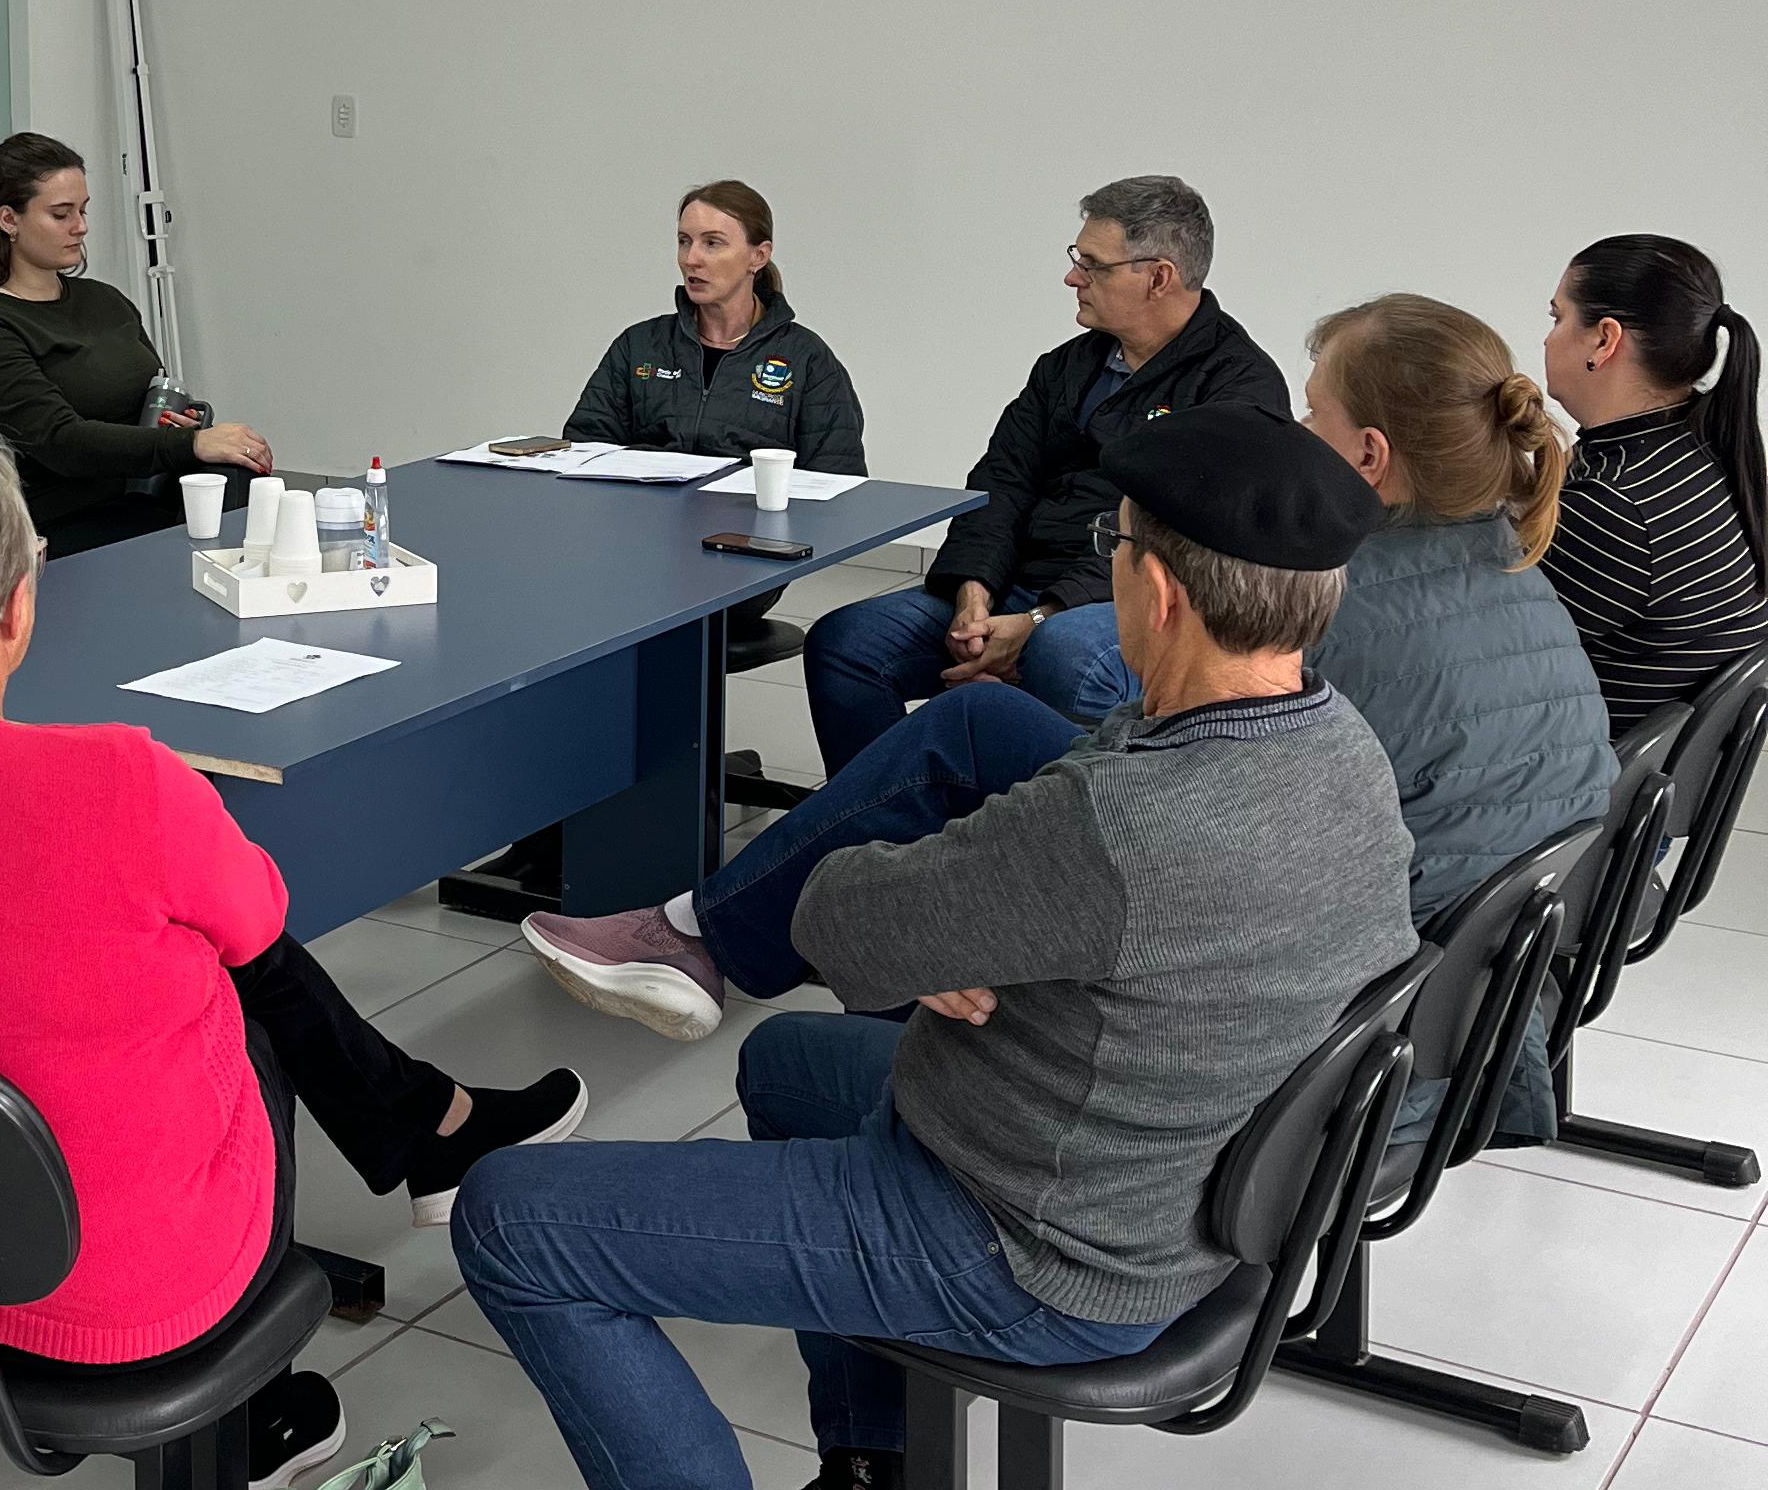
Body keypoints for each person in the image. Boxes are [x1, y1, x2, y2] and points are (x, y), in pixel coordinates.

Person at [454, 413, 1412, 1490]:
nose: (1106, 562)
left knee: (512, 1217)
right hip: (1163, 1190)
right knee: (788, 1061)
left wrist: (936, 912)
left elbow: (836, 915)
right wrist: (975, 922)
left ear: (1159, 592)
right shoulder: (1338, 745)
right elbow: (1046, 867)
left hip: (1027, 1246)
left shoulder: (1117, 825)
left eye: (1114, 545)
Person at [0, 429, 586, 1463]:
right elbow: (260, 919)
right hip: (122, 1296)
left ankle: (429, 1128)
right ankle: (252, 1405)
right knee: (234, 992)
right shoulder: (124, 780)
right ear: (15, 609)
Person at [530, 287, 1613, 1049]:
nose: (1292, 428)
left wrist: (991, 907)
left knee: (973, 741)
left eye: (1311, 414)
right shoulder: (1507, 566)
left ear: (1368, 457)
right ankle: (718, 931)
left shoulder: (1342, 597)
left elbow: (1173, 800)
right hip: (1469, 982)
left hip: (1341, 1005)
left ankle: (712, 933)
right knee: (970, 724)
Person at [801, 173, 1286, 775]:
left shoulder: (1237, 387)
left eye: (1093, 265)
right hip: (1016, 584)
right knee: (847, 644)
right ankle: (893, 824)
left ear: (1158, 277)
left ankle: (1048, 827)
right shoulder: (1065, 367)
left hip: (1133, 601)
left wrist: (1039, 620)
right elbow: (999, 481)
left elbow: (1169, 537)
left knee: (1066, 655)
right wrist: (973, 595)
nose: (1072, 278)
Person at [0, 133, 272, 556]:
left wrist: (182, 423)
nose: (80, 226)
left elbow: (153, 393)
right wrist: (188, 445)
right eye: (60, 214)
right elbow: (62, 443)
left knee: (245, 481)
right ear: (9, 219)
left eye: (82, 210)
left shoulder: (105, 301)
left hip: (148, 495)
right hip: (64, 522)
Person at [1539, 233, 1768, 735]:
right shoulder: (1697, 449)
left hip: (1577, 767)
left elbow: (1483, 652)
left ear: (1604, 340)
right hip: (1638, 766)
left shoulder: (1614, 506)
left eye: (1557, 318)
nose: (1548, 339)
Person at [564, 182, 867, 473]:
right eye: (684, 241)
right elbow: (584, 453)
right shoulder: (639, 346)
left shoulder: (806, 359)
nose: (691, 259)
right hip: (646, 508)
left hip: (755, 511)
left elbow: (838, 480)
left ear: (758, 256)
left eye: (712, 243)